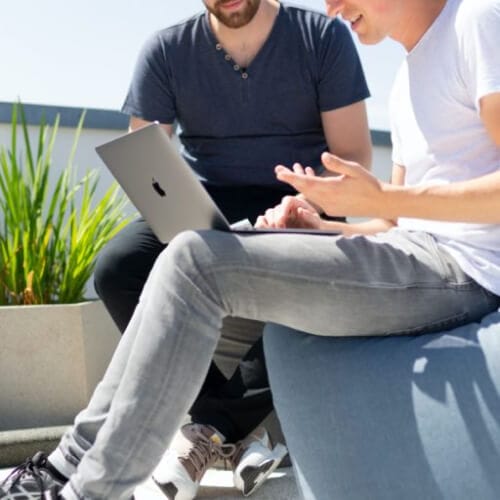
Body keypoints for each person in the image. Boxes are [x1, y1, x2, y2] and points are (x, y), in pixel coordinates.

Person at [3, 0, 500, 498]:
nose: (332, 8)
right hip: (414, 255)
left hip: (466, 272)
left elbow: (405, 207)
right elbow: (392, 225)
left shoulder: (476, 21)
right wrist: (320, 226)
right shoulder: (408, 73)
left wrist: (381, 197)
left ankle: (88, 489)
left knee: (196, 261)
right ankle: (70, 463)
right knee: (179, 260)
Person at [92, 0, 371, 497]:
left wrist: (301, 204)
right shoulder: (166, 49)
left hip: (302, 200)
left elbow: (351, 156)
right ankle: (230, 428)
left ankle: (207, 430)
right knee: (117, 268)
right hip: (204, 203)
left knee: (309, 267)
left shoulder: (321, 37)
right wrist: (183, 213)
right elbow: (146, 162)